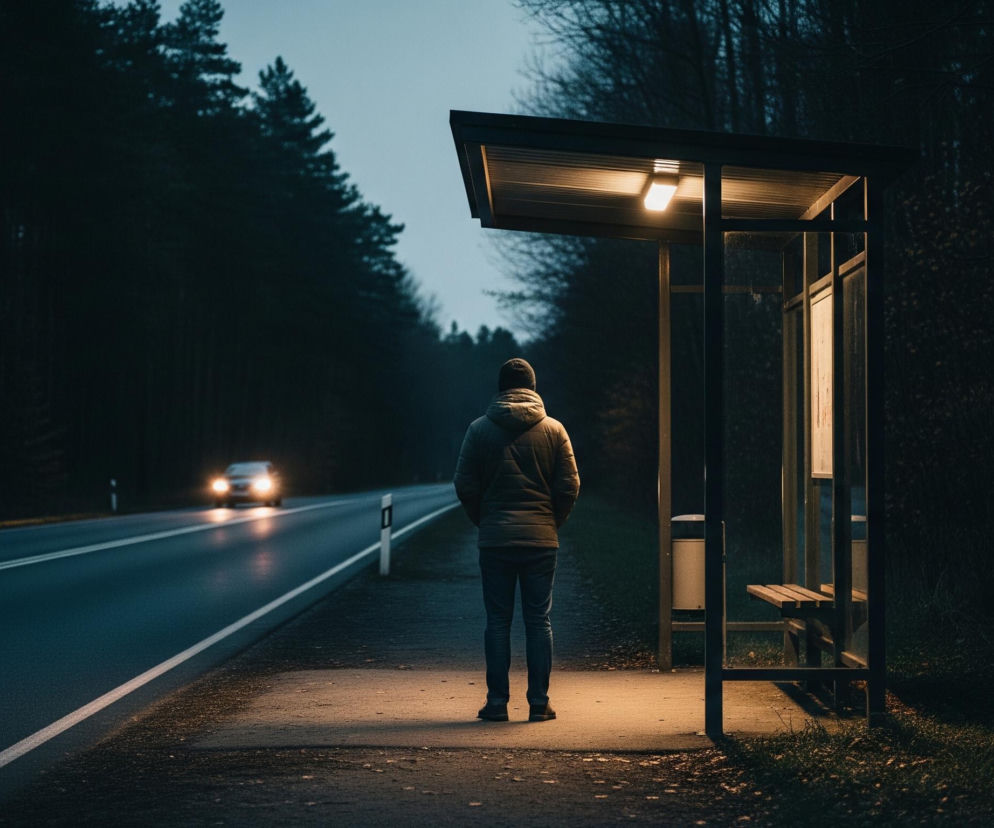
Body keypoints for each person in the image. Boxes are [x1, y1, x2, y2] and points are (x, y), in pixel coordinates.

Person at [454, 358, 580, 723]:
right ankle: (539, 703)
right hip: (541, 540)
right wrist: (551, 521)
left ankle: (497, 703)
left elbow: (465, 484)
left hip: (495, 541)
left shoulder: (478, 430)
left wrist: (485, 520)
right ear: (533, 388)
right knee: (538, 621)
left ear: (501, 388)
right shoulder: (555, 431)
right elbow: (569, 485)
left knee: (497, 622)